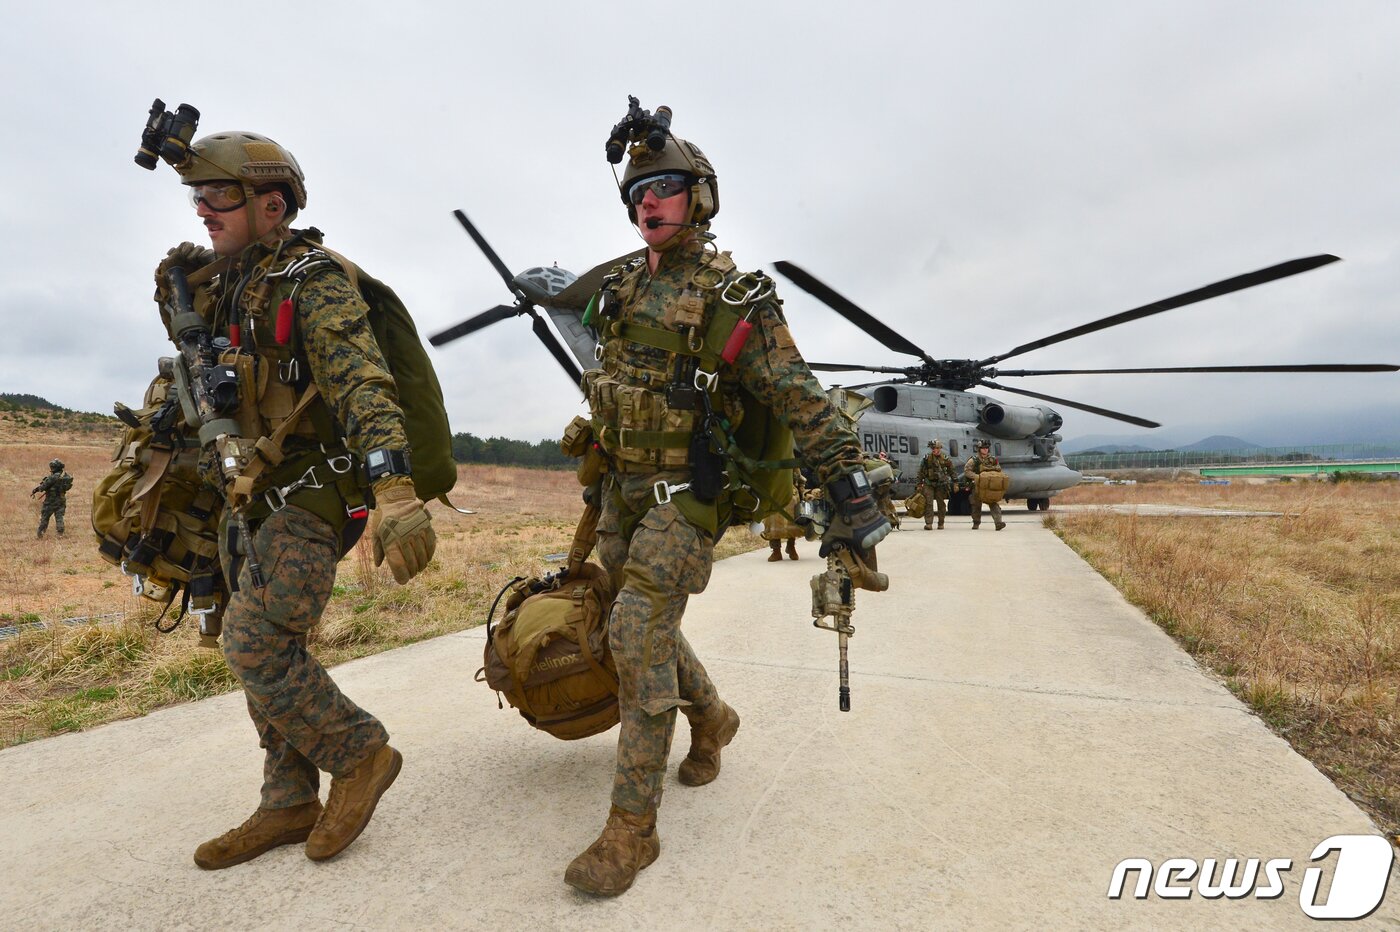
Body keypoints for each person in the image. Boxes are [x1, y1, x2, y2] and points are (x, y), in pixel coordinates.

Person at [568, 113, 890, 896]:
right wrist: (594, 430)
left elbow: (802, 399)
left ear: (700, 198)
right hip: (622, 492)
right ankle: (710, 717)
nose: (650, 202)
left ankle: (631, 831)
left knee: (638, 629)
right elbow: (614, 379)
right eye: (640, 191)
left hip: (689, 497)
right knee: (630, 622)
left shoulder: (735, 297)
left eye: (667, 188)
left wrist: (851, 501)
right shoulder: (619, 288)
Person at [150, 128, 436, 869]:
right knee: (254, 648)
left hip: (312, 498)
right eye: (196, 196)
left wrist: (396, 489)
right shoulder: (234, 286)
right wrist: (174, 294)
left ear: (271, 205)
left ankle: (360, 753)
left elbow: (361, 381)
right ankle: (287, 799)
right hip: (247, 496)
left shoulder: (313, 280)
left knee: (258, 640)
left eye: (218, 195)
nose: (202, 208)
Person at [964, 439, 1006, 530]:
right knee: (976, 505)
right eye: (983, 448)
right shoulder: (973, 460)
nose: (985, 450)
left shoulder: (993, 459)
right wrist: (977, 477)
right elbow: (967, 471)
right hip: (977, 486)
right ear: (979, 449)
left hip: (989, 486)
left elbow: (999, 469)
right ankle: (976, 522)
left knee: (993, 503)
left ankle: (998, 522)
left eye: (987, 448)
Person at [765, 470, 804, 561]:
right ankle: (776, 551)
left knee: (792, 521)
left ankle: (791, 547)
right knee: (773, 521)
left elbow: (798, 475)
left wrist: (801, 488)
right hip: (773, 490)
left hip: (790, 490)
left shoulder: (789, 456)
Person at [916, 440, 953, 530]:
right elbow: (920, 471)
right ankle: (929, 523)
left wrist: (955, 482)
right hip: (929, 483)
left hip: (941, 484)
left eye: (936, 448)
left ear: (939, 448)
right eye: (932, 448)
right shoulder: (926, 458)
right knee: (928, 503)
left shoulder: (945, 458)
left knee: (941, 504)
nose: (934, 450)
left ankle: (941, 523)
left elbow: (951, 470)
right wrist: (919, 483)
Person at [32, 458, 72, 538]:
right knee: (59, 517)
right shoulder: (65, 477)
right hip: (61, 500)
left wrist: (36, 490)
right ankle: (60, 534)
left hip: (50, 501)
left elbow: (43, 487)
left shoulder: (52, 477)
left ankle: (40, 535)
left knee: (45, 518)